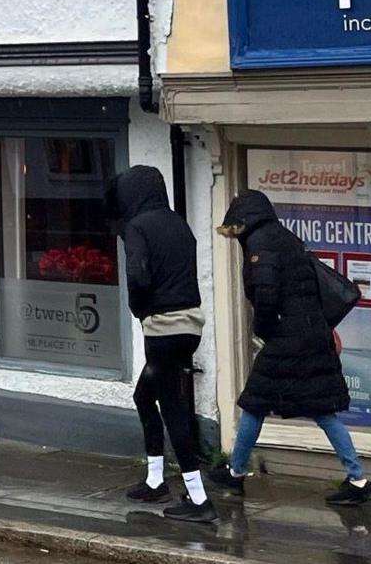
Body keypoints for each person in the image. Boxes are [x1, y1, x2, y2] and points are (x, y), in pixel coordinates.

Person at [206, 189, 371, 507]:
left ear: (244, 220)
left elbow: (266, 293)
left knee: (255, 403)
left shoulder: (260, 243)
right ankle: (358, 478)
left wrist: (263, 331)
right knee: (322, 410)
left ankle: (236, 472)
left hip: (288, 340)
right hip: (312, 335)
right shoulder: (286, 237)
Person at [113, 164, 214, 524]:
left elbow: (138, 276)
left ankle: (199, 499)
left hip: (162, 327)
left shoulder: (137, 227)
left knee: (171, 407)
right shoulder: (178, 224)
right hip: (189, 326)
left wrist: (139, 310)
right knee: (145, 395)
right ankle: (156, 479)